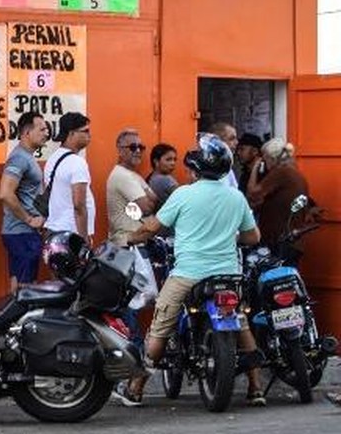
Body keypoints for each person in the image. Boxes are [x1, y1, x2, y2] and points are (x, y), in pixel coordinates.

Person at [117, 134, 266, 407]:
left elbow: (152, 227)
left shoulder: (183, 194)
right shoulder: (235, 197)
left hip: (188, 273)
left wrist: (129, 238)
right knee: (241, 322)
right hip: (227, 276)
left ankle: (136, 388)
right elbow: (253, 237)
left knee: (160, 327)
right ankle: (256, 388)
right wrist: (228, 236)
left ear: (197, 169)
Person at [106, 129, 158, 352]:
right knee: (132, 303)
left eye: (140, 147)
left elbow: (153, 199)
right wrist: (143, 203)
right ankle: (132, 347)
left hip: (136, 245)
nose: (138, 151)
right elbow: (148, 205)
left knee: (139, 299)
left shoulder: (132, 175)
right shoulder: (122, 176)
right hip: (128, 247)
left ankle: (133, 346)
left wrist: (142, 202)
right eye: (132, 147)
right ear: (119, 150)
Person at [0, 111, 49, 290]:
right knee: (24, 289)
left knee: (19, 286)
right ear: (27, 133)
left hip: (24, 234)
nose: (46, 133)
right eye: (42, 129)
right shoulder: (19, 158)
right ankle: (18, 318)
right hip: (21, 233)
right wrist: (28, 219)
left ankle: (14, 318)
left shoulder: (26, 157)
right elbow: (5, 193)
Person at [246, 138, 310, 249]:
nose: (264, 163)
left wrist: (255, 168)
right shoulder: (293, 172)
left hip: (280, 238)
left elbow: (252, 193)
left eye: (264, 159)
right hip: (292, 236)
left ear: (271, 158)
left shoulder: (281, 172)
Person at [43, 112, 95, 243]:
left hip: (54, 231)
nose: (89, 135)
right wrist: (83, 239)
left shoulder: (52, 159)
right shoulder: (77, 162)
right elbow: (79, 205)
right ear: (71, 134)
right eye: (85, 131)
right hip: (71, 235)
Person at [209, 122, 240, 189]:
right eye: (231, 139)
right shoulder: (209, 168)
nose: (237, 142)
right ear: (217, 142)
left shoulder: (226, 168)